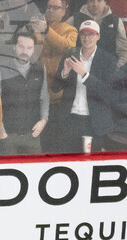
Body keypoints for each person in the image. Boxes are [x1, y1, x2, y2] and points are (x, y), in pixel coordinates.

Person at [54, 20, 119, 152]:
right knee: (68, 160)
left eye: (91, 34)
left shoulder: (108, 60)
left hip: (94, 123)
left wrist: (84, 74)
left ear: (98, 36)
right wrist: (64, 72)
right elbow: (55, 88)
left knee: (91, 164)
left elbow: (109, 93)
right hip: (70, 121)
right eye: (83, 34)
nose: (86, 38)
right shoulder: (70, 55)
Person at [0, 31, 50, 156]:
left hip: (32, 135)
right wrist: (1, 131)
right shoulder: (0, 70)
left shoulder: (40, 69)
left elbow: (44, 97)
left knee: (34, 172)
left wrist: (44, 120)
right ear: (14, 47)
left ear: (34, 50)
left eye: (29, 48)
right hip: (8, 136)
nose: (25, 51)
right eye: (21, 47)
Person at [31, 0, 78, 153]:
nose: (51, 11)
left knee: (56, 143)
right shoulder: (37, 27)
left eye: (56, 8)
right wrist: (29, 28)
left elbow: (67, 47)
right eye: (49, 7)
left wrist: (46, 30)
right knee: (37, 142)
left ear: (64, 11)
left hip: (58, 97)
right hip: (36, 95)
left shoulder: (70, 30)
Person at [69, 0, 127, 67]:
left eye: (99, 1)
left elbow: (123, 52)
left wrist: (115, 70)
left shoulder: (116, 21)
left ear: (105, 2)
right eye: (91, 1)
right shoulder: (74, 20)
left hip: (108, 70)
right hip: (79, 69)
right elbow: (66, 48)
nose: (95, 4)